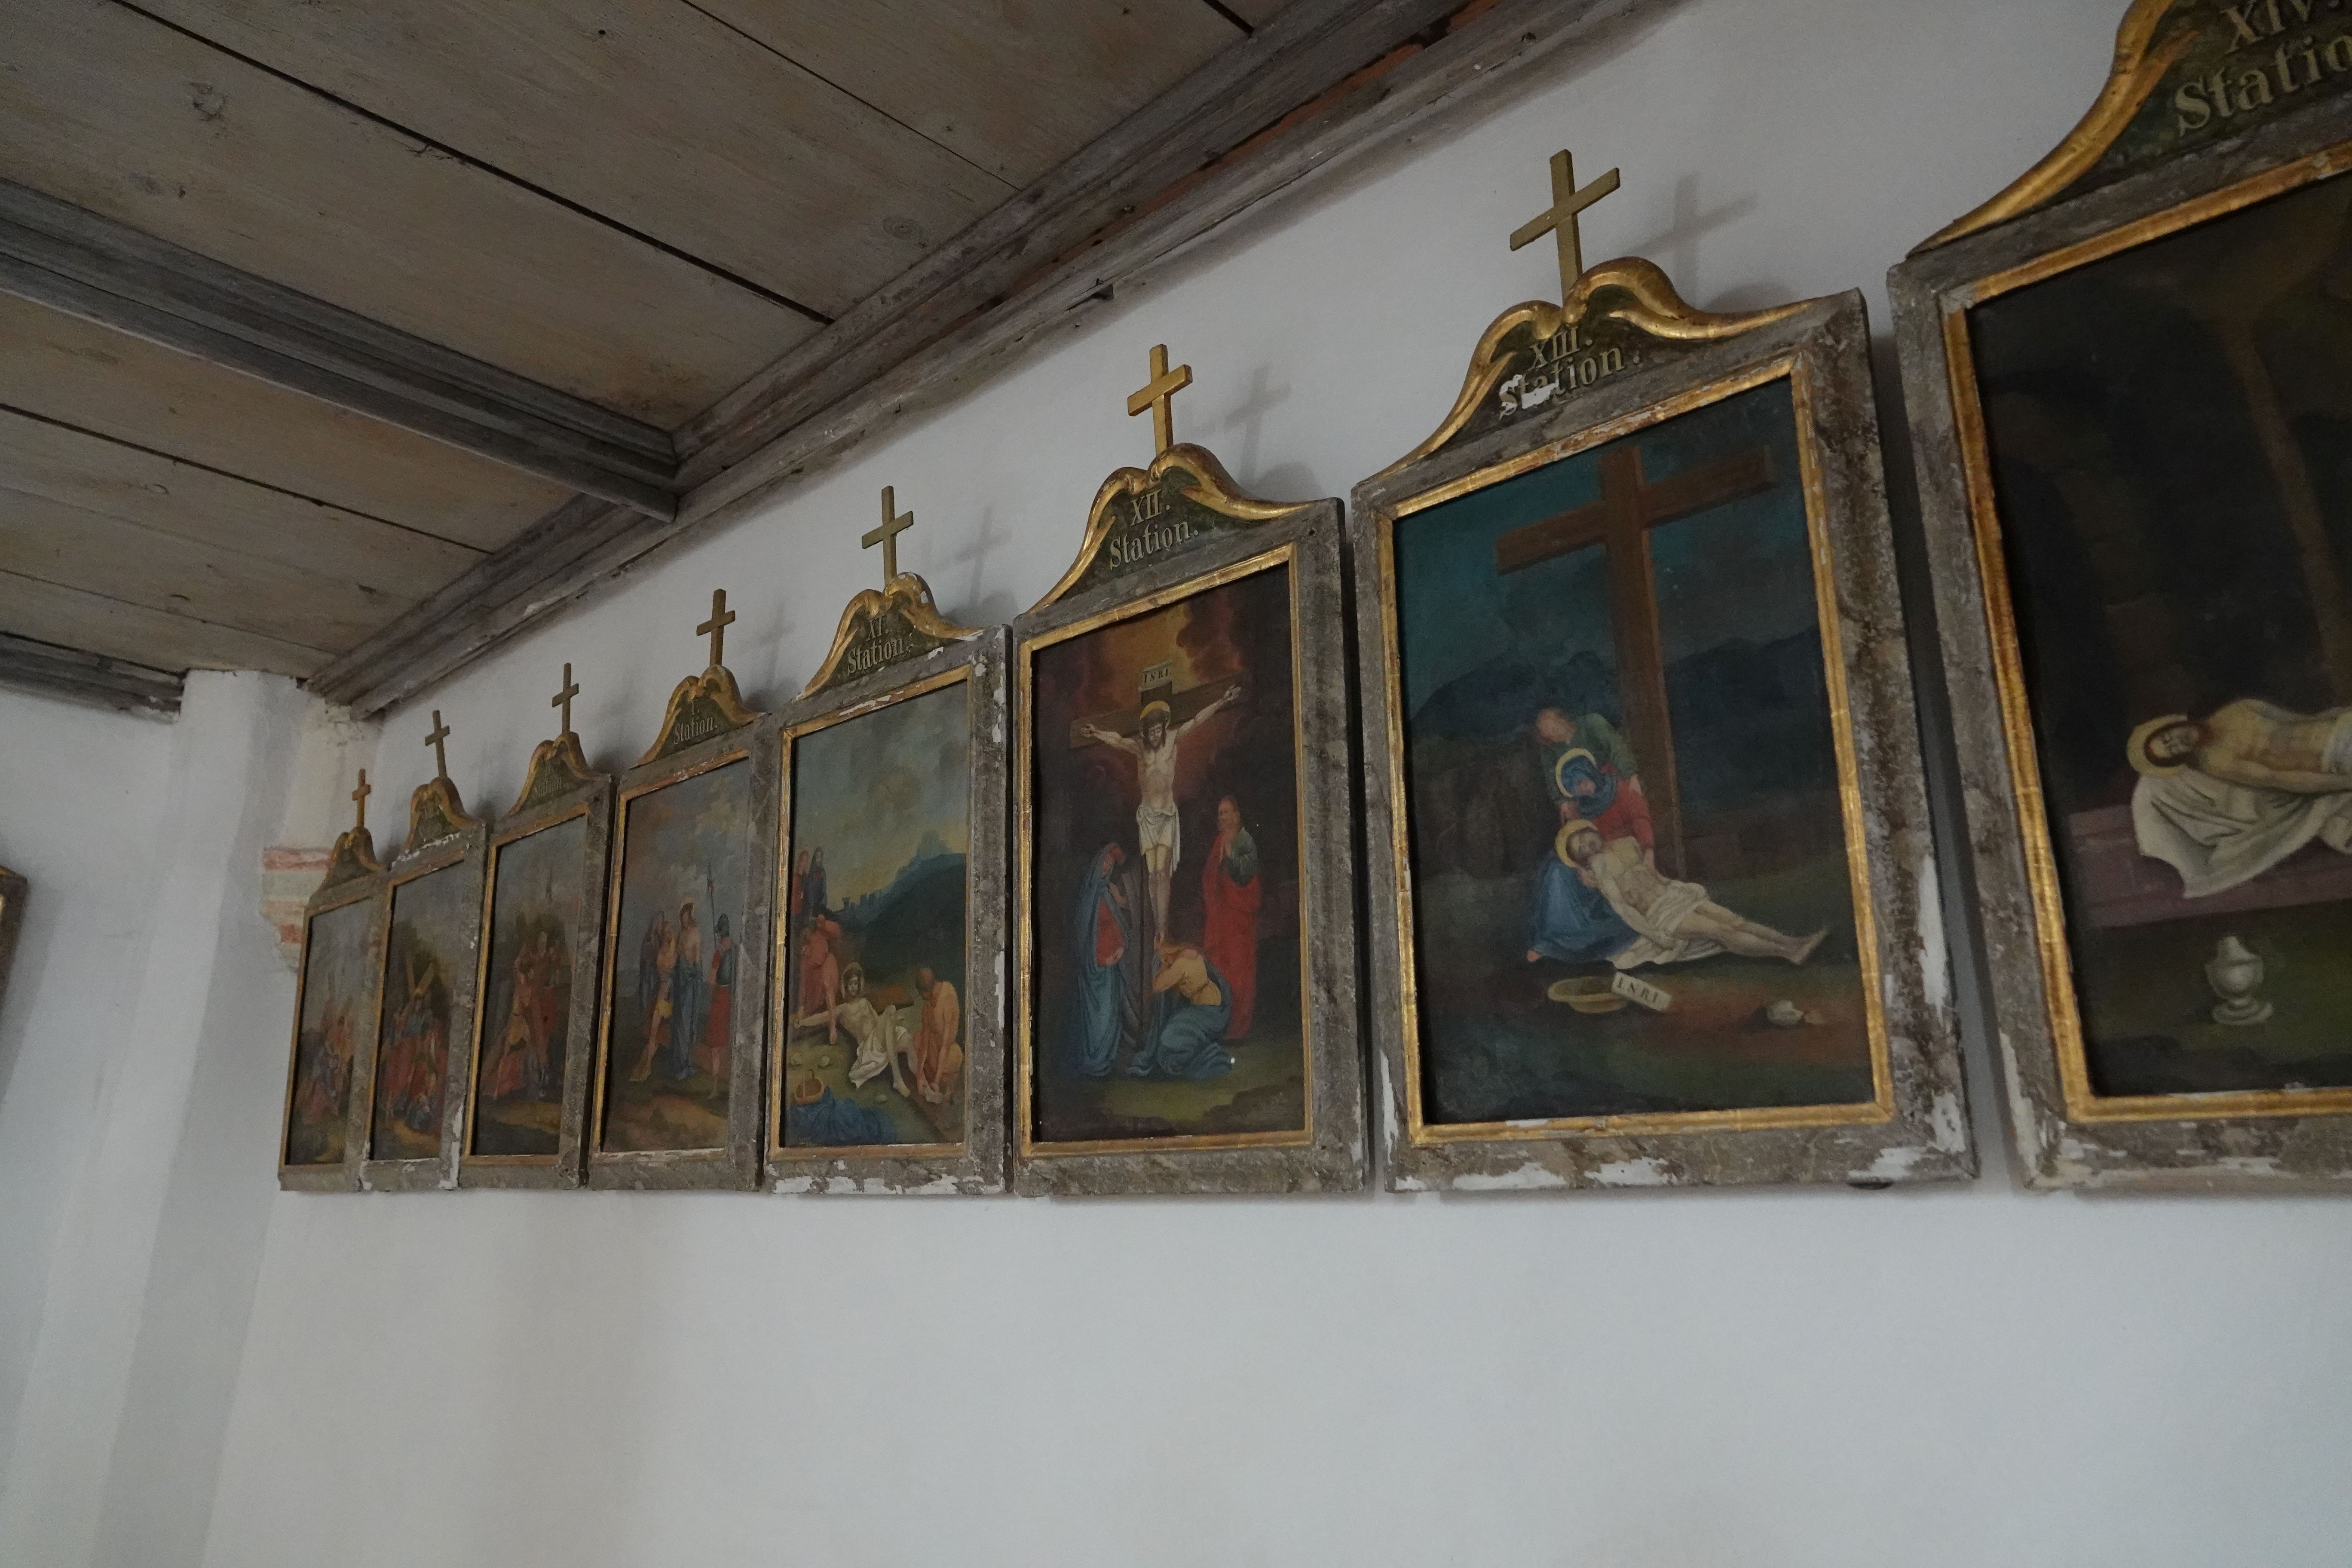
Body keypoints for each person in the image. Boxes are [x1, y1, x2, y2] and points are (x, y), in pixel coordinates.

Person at [2130, 701, 2352, 897]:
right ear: (2180, 758)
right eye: (2173, 750)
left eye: (2167, 738)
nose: (2178, 743)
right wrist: (2347, 783)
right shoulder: (2215, 762)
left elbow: (2302, 720)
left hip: (2342, 727)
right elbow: (2280, 779)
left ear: (2169, 726)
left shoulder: (2237, 709)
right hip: (2336, 761)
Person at [1078, 685, 1243, 941]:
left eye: (1158, 730)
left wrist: (1222, 701)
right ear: (1146, 732)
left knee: (1162, 873)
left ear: (1164, 728)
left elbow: (1197, 720)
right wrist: (1097, 732)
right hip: (1147, 817)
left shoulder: (1173, 740)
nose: (1154, 735)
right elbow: (1118, 740)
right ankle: (1158, 923)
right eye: (1151, 731)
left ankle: (1162, 928)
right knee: (1153, 875)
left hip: (1166, 815)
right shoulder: (1140, 749)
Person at [1562, 821, 1822, 969]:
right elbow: (1625, 909)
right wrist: (1655, 935)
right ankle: (1787, 953)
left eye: (1583, 838)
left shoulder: (1627, 844)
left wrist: (1681, 886)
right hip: (1661, 914)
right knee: (1722, 932)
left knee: (1737, 921)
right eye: (1580, 849)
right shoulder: (1600, 869)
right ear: (1581, 860)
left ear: (1593, 831)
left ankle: (1794, 943)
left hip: (1675, 896)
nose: (1585, 846)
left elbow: (1656, 877)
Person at [1071, 844, 1139, 1077]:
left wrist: (1121, 948)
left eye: (1111, 864)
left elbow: (1118, 924)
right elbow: (1084, 938)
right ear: (1097, 863)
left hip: (1112, 966)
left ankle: (1106, 1061)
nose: (1107, 867)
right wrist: (1101, 959)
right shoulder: (1089, 897)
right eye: (1105, 862)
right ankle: (1095, 1061)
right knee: (1098, 1018)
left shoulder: (1107, 893)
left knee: (1111, 1016)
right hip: (1097, 969)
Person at [1199, 795, 1263, 1040]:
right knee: (1220, 969)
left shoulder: (1245, 841)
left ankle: (1237, 1029)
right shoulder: (1219, 841)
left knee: (1239, 971)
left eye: (1227, 812)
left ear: (1236, 814)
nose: (1224, 817)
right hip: (1221, 917)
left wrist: (1231, 858)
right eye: (1221, 813)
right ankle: (1221, 1026)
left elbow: (1248, 878)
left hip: (1239, 917)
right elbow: (1209, 876)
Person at [798, 964, 912, 1097]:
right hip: (868, 1046)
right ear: (846, 986)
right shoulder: (843, 1009)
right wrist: (802, 1022)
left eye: (856, 984)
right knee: (891, 1010)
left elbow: (877, 1020)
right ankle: (898, 1080)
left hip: (878, 1038)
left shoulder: (865, 1002)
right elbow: (822, 1017)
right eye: (851, 984)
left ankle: (926, 1088)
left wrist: (893, 1023)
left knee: (909, 1041)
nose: (854, 987)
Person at [1129, 939, 1235, 1079]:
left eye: (1163, 956)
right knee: (1174, 1030)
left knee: (1170, 1038)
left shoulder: (1180, 965)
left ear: (1170, 950)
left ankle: (1212, 1058)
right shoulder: (1192, 954)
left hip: (1207, 1011)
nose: (1164, 960)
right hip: (1214, 1004)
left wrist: (1160, 967)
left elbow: (1158, 985)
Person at [628, 915, 675, 1082]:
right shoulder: (663, 951)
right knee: (653, 1034)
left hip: (666, 998)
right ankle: (644, 1067)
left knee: (656, 1034)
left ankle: (645, 1068)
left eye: (669, 932)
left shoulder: (670, 952)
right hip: (661, 996)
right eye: (667, 932)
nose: (669, 935)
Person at [911, 965, 962, 1106]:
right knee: (916, 1040)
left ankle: (946, 1091)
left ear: (924, 992)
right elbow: (925, 1041)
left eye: (921, 994)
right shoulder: (927, 1009)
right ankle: (927, 1081)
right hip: (934, 1049)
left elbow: (946, 1044)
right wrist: (919, 1075)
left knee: (954, 1056)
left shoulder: (948, 995)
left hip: (947, 1051)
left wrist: (937, 1081)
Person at [667, 900, 704, 1080]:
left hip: (691, 982)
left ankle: (687, 1063)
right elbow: (676, 956)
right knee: (680, 1023)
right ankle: (680, 1065)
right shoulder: (681, 934)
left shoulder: (695, 933)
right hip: (681, 981)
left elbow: (697, 958)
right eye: (681, 917)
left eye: (685, 917)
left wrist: (696, 975)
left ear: (690, 917)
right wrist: (670, 966)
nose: (683, 920)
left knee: (689, 1023)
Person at [698, 914, 734, 1078]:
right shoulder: (735, 949)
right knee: (725, 1036)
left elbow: (712, 980)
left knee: (716, 1041)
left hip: (720, 996)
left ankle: (715, 1077)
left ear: (720, 934)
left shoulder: (719, 953)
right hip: (731, 996)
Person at [798, 914, 844, 1041]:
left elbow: (837, 932)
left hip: (827, 968)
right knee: (809, 1010)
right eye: (803, 950)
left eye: (805, 949)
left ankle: (833, 1029)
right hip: (815, 984)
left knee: (828, 986)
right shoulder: (805, 962)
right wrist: (801, 1006)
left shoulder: (820, 933)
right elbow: (803, 984)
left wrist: (823, 923)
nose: (804, 951)